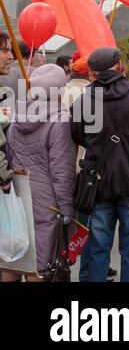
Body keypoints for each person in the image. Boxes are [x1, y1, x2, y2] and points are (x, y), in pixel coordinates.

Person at [70, 47, 129, 283]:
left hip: (97, 184)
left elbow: (77, 135)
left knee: (98, 247)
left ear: (92, 73)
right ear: (120, 67)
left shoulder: (84, 100)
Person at [5, 63, 75, 278]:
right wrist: (66, 208)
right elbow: (61, 169)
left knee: (13, 261)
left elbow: (8, 154)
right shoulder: (60, 119)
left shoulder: (16, 115)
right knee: (40, 265)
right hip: (47, 200)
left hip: (17, 193)